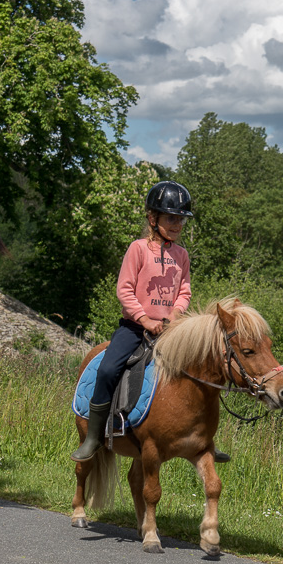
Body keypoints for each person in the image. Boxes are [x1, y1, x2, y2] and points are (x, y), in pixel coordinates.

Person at [72, 181, 203, 462]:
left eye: (181, 219)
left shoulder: (182, 255)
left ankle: (203, 440)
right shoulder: (138, 249)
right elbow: (125, 290)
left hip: (171, 329)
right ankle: (94, 436)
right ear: (152, 219)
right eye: (171, 218)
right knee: (107, 370)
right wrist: (144, 320)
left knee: (203, 369)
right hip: (134, 328)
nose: (178, 224)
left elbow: (184, 291)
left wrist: (175, 316)